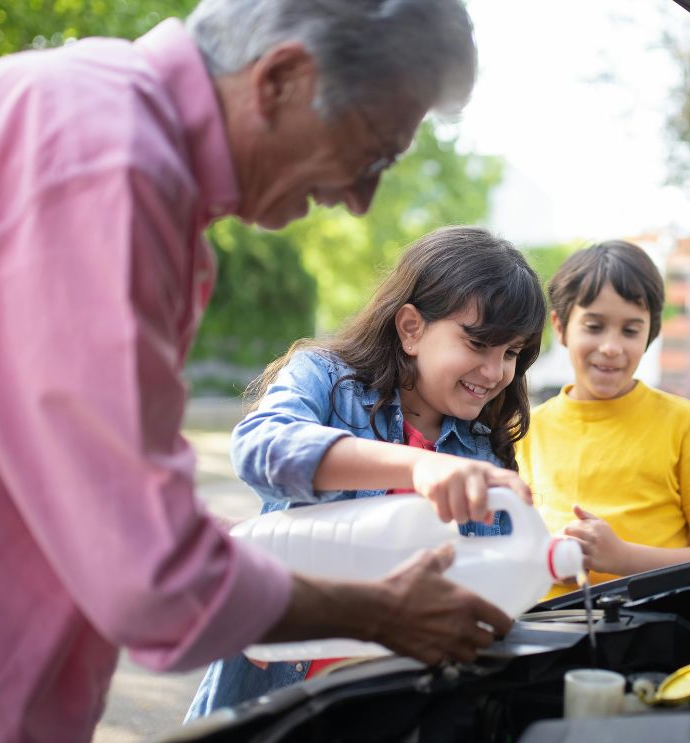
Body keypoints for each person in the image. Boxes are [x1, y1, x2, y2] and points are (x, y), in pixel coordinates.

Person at [0, 1, 515, 740]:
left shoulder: (104, 130)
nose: (358, 199)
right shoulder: (104, 161)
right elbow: (153, 573)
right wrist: (380, 610)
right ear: (281, 77)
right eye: (372, 153)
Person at [186, 225, 546, 717]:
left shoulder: (484, 452)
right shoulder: (325, 379)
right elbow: (260, 446)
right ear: (411, 328)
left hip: (389, 702)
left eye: (511, 353)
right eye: (479, 344)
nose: (495, 372)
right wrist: (420, 465)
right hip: (277, 681)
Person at [515, 241, 690, 599]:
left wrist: (622, 557)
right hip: (545, 627)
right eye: (594, 326)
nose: (611, 346)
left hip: (653, 628)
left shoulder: (684, 423)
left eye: (630, 331)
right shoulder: (526, 428)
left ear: (651, 333)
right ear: (560, 327)